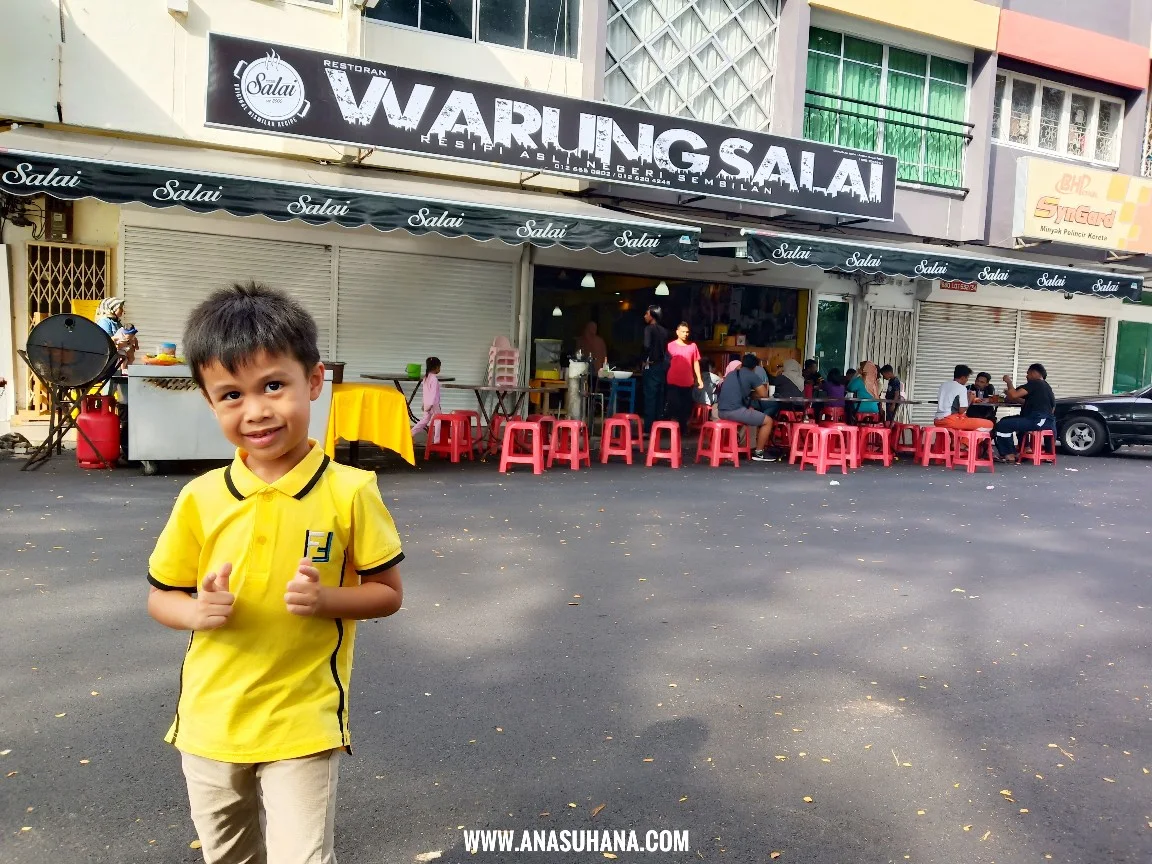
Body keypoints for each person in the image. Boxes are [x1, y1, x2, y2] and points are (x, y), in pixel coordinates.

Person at [146, 282, 405, 864]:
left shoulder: (350, 490)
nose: (256, 410)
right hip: (210, 726)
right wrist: (195, 610)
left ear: (313, 381)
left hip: (303, 723)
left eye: (273, 385)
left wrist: (328, 600)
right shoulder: (200, 497)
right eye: (230, 395)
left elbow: (387, 594)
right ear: (210, 403)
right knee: (228, 856)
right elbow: (162, 595)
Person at [716, 353, 774, 462]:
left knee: (751, 414)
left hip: (721, 411)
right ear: (754, 367)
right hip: (735, 411)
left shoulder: (731, 374)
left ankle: (736, 448)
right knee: (768, 421)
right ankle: (759, 453)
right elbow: (764, 394)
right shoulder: (752, 375)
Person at [994, 363, 1057, 462]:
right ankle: (1024, 448)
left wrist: (1009, 382)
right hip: (1045, 421)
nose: (1026, 376)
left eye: (1028, 373)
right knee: (1007, 420)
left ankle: (1009, 454)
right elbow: (1051, 407)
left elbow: (1014, 395)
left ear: (1034, 373)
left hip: (1038, 420)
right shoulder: (1046, 387)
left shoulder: (1035, 383)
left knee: (1002, 425)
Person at [665, 321, 704, 433]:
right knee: (674, 404)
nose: (685, 334)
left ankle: (682, 429)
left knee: (686, 407)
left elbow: (696, 362)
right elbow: (666, 363)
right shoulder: (670, 346)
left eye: (687, 332)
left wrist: (699, 379)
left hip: (688, 382)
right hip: (673, 380)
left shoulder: (693, 346)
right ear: (677, 332)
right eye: (683, 332)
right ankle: (671, 429)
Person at [933, 364, 992, 431]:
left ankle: (963, 440)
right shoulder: (962, 388)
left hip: (937, 420)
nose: (967, 380)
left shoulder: (943, 385)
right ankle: (966, 441)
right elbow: (961, 411)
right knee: (989, 424)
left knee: (967, 422)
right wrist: (970, 399)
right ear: (963, 378)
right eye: (967, 378)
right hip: (950, 420)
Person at [641, 305, 669, 432]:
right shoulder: (664, 331)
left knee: (650, 398)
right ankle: (659, 428)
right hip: (661, 367)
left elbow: (646, 346)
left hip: (651, 366)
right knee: (659, 398)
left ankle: (648, 429)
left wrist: (643, 360)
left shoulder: (648, 329)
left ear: (652, 316)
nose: (645, 316)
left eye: (647, 314)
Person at [95, 296, 139, 368]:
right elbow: (106, 342)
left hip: (119, 357)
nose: (122, 310)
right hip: (111, 361)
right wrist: (122, 345)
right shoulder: (104, 321)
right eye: (120, 308)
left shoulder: (116, 322)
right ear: (113, 308)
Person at [411, 356, 442, 438]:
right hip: (433, 404)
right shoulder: (434, 379)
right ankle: (437, 440)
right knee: (438, 421)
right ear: (436, 367)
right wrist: (431, 405)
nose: (440, 369)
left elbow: (425, 393)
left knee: (424, 420)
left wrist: (424, 404)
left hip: (427, 404)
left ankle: (410, 434)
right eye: (439, 367)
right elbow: (433, 394)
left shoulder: (426, 378)